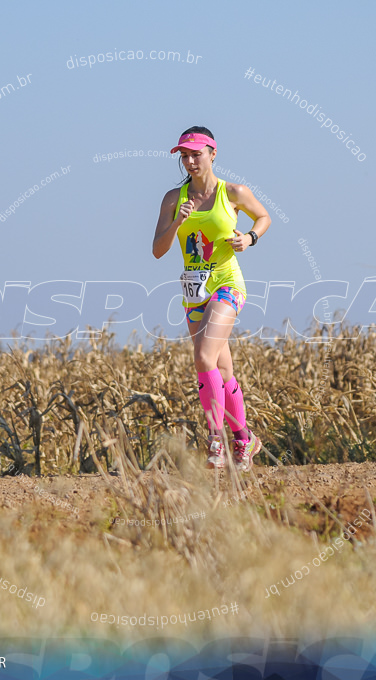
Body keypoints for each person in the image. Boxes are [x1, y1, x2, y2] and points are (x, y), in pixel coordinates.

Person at [152, 126, 271, 470]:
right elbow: (158, 250)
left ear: (212, 153)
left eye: (196, 154)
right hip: (193, 290)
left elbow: (263, 217)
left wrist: (249, 238)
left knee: (204, 357)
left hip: (227, 283)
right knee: (222, 369)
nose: (190, 161)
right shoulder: (173, 200)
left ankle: (215, 439)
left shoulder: (233, 192)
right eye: (184, 156)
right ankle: (245, 439)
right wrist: (177, 223)